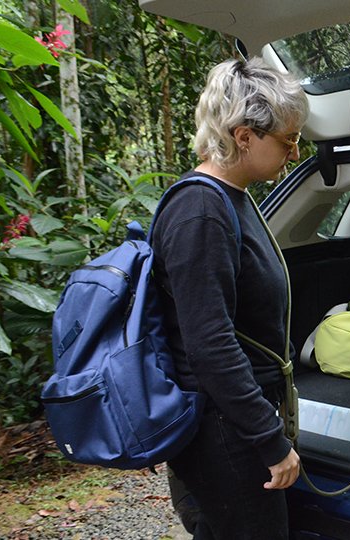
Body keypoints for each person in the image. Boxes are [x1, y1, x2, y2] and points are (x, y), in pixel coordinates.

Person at [150, 57, 309, 540]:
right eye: (288, 141)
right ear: (244, 136)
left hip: (235, 422)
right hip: (223, 431)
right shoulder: (201, 212)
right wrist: (270, 441)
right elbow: (210, 346)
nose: (296, 153)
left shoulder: (236, 199)